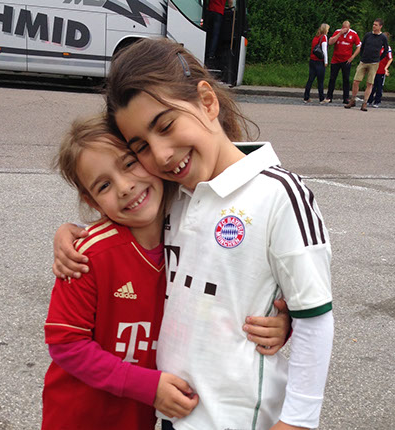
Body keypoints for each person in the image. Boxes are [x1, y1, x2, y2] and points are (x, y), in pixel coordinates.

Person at [56, 38, 334, 430]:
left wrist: (299, 421)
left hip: (238, 419)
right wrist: (71, 233)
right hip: (174, 413)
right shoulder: (175, 196)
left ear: (207, 101)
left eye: (166, 126)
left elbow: (314, 316)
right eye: (142, 147)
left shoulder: (279, 194)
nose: (161, 155)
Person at [44, 115, 291, 429]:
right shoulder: (85, 256)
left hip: (144, 417)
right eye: (104, 185)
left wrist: (279, 325)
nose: (125, 187)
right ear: (90, 200)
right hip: (81, 419)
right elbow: (66, 344)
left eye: (130, 164)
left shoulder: (192, 234)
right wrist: (148, 386)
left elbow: (229, 299)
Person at [345, 18, 389, 111]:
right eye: (373, 24)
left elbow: (386, 50)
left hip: (374, 63)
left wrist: (379, 59)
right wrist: (362, 56)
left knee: (369, 83)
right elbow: (362, 46)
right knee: (356, 81)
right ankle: (352, 100)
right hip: (364, 61)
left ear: (380, 26)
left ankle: (365, 102)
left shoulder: (383, 37)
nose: (374, 26)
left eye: (376, 25)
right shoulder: (368, 35)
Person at [323, 20, 362, 104]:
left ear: (349, 27)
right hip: (336, 59)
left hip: (346, 60)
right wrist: (339, 34)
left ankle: (346, 98)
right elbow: (330, 42)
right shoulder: (337, 32)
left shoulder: (353, 34)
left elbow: (359, 46)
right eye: (343, 28)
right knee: (332, 78)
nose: (344, 29)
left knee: (346, 79)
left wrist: (353, 57)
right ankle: (329, 96)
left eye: (346, 28)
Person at [303, 23, 329, 104]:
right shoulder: (323, 37)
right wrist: (326, 61)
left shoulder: (316, 37)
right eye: (328, 29)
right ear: (325, 30)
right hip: (319, 61)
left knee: (310, 79)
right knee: (320, 81)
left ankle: (306, 97)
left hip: (312, 60)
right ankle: (321, 98)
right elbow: (324, 50)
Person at [368, 32, 393, 108]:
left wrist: (386, 68)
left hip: (381, 70)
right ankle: (369, 100)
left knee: (379, 86)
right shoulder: (376, 46)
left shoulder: (387, 48)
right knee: (371, 85)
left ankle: (377, 101)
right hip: (374, 68)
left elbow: (390, 59)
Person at [205, 0, 227, 68]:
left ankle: (205, 51)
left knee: (208, 33)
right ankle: (211, 56)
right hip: (219, 12)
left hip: (210, 10)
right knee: (215, 35)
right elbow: (230, 2)